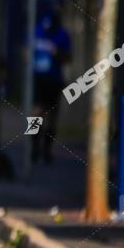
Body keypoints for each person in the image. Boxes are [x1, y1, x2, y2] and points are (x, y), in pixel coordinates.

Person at [31, 9, 71, 164]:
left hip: (54, 79)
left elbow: (68, 57)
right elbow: (25, 51)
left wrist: (57, 53)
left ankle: (47, 150)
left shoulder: (62, 34)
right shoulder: (37, 31)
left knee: (52, 116)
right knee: (36, 112)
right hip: (38, 78)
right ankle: (34, 147)